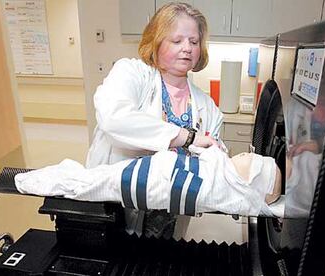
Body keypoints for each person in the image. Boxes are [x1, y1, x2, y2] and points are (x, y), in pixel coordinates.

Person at [86, 2, 224, 238]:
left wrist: (219, 156)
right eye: (177, 40)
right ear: (156, 41)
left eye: (193, 41)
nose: (187, 49)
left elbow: (211, 163)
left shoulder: (208, 107)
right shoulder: (131, 73)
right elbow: (114, 118)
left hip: (172, 213)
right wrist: (186, 137)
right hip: (116, 204)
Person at [15, 146, 282, 229]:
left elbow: (255, 204)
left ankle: (43, 181)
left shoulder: (231, 191)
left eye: (251, 161)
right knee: (99, 176)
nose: (248, 155)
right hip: (149, 170)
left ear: (248, 182)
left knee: (94, 184)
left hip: (148, 184)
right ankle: (68, 176)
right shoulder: (223, 166)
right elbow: (209, 152)